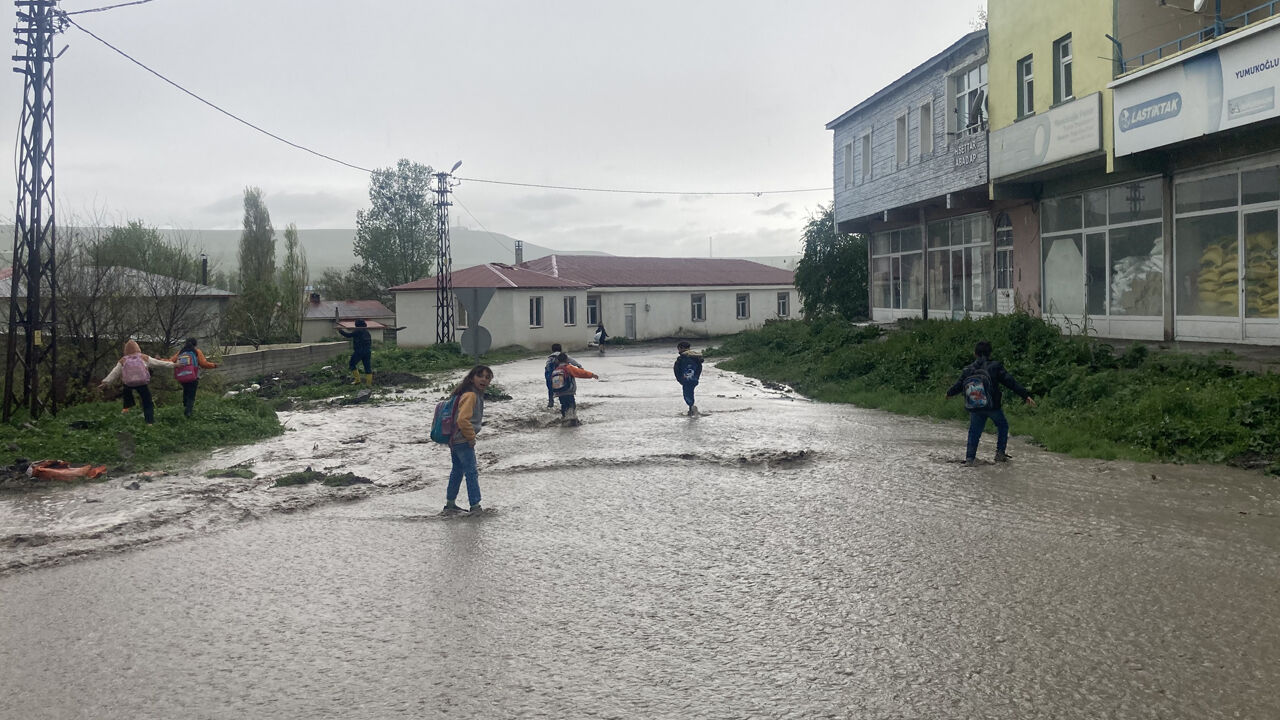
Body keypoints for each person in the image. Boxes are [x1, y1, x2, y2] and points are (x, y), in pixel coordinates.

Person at [946, 340, 1036, 466]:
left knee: (974, 432)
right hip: (992, 406)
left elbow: (959, 384)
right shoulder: (995, 366)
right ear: (990, 353)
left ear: (975, 353)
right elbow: (1010, 382)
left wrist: (949, 393)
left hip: (975, 406)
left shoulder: (968, 369)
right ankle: (1000, 454)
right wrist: (1025, 395)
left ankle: (970, 458)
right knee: (1002, 426)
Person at [443, 365, 494, 514]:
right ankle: (475, 506)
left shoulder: (467, 393)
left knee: (457, 471)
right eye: (480, 376)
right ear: (472, 378)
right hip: (463, 439)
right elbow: (462, 420)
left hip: (454, 439)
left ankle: (450, 505)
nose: (484, 380)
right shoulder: (471, 395)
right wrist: (471, 438)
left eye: (487, 377)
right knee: (471, 473)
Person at [99, 339, 175, 425]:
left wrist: (105, 382)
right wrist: (174, 365)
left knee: (126, 392)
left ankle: (126, 408)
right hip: (142, 383)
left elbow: (115, 372)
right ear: (138, 348)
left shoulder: (123, 360)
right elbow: (159, 363)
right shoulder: (143, 357)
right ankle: (149, 422)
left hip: (128, 384)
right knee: (147, 401)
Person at [167, 337, 219, 418]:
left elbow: (170, 361)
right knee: (191, 395)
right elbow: (203, 364)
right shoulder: (197, 352)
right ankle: (188, 412)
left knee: (186, 390)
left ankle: (185, 405)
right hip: (193, 376)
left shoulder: (181, 352)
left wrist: (159, 360)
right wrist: (214, 365)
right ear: (195, 344)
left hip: (182, 377)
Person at [551, 351, 598, 425]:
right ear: (567, 360)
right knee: (571, 405)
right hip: (568, 391)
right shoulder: (568, 367)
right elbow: (580, 373)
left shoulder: (555, 370)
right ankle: (572, 420)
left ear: (558, 361)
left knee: (564, 405)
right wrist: (592, 375)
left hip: (559, 392)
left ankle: (564, 419)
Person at [544, 343, 583, 409]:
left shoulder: (550, 358)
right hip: (564, 379)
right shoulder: (563, 356)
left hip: (553, 378)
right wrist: (579, 366)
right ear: (561, 349)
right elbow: (573, 361)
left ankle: (551, 402)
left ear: (552, 350)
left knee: (554, 391)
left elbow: (547, 368)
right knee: (567, 393)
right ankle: (571, 410)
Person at [336, 319, 373, 386]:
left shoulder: (357, 331)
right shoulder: (367, 332)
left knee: (352, 364)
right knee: (367, 367)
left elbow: (348, 335)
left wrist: (340, 330)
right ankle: (368, 384)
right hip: (368, 351)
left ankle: (357, 380)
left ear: (357, 325)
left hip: (359, 351)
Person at [673, 341, 704, 416]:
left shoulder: (681, 359)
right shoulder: (696, 358)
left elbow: (676, 370)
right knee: (690, 392)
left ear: (680, 348)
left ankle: (691, 408)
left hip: (685, 380)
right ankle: (691, 409)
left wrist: (680, 380)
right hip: (694, 379)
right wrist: (697, 377)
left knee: (687, 394)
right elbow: (699, 368)